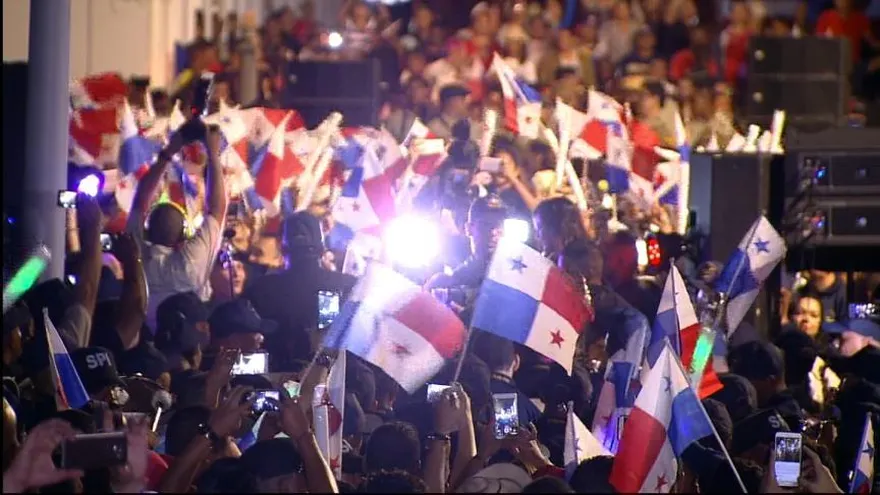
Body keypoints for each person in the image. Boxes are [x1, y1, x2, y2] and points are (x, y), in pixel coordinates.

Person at [126, 119, 228, 332]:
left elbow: (139, 201)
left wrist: (169, 151)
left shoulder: (136, 255)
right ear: (183, 236)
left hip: (143, 342)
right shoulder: (190, 263)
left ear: (146, 230)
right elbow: (217, 209)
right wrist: (213, 152)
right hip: (186, 347)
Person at [243, 212, 356, 370]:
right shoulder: (347, 286)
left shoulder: (261, 289)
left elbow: (244, 354)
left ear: (282, 247)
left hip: (273, 383)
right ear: (321, 246)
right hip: (331, 383)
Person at [424, 195, 508, 312]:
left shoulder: (518, 279)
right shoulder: (447, 283)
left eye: (498, 225)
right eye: (486, 225)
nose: (493, 232)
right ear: (469, 228)